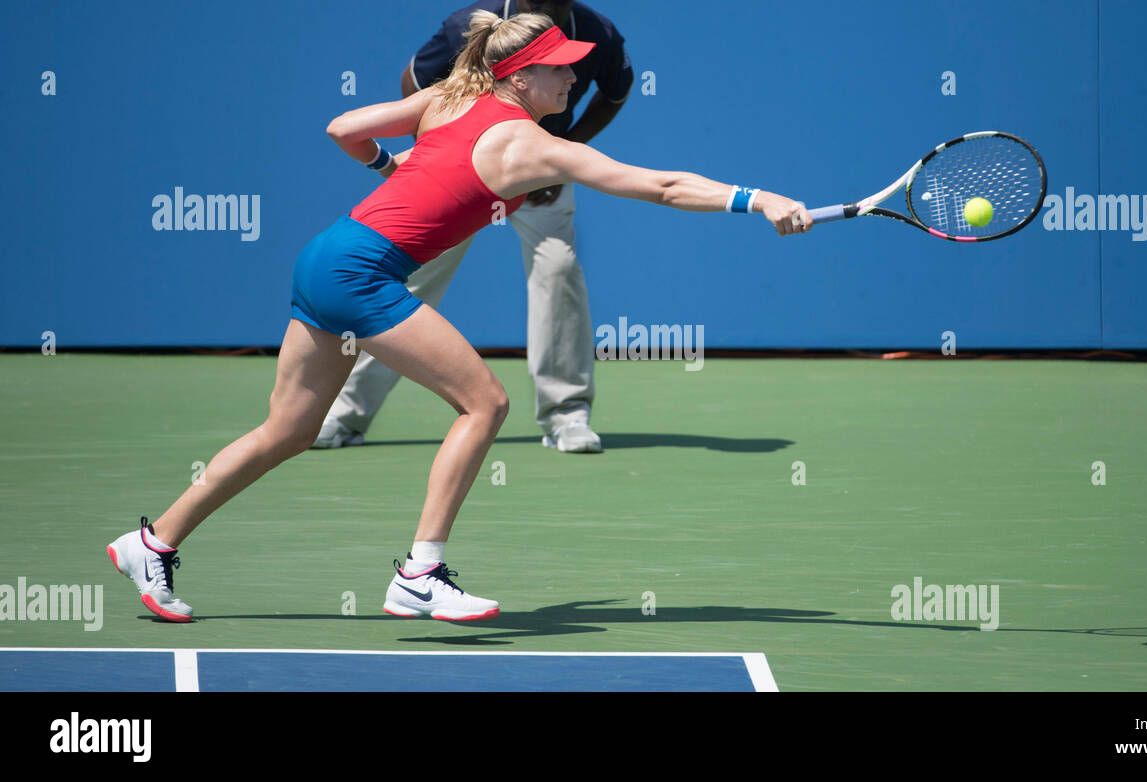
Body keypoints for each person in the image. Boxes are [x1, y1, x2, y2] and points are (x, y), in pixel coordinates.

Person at [106, 11, 813, 624]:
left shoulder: (450, 97)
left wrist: (394, 167)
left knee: (286, 432)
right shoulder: (530, 144)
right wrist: (758, 199)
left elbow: (343, 127)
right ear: (523, 76)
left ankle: (154, 543)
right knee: (485, 402)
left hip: (323, 258)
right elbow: (659, 185)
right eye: (562, 71)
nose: (575, 82)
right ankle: (421, 574)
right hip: (362, 274)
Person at [314, 0, 633, 454]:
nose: (550, 6)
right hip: (461, 176)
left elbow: (616, 91)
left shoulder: (597, 32)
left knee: (558, 273)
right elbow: (415, 83)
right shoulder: (465, 24)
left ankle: (566, 415)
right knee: (411, 282)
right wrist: (440, 160)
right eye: (538, 0)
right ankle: (348, 414)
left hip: (539, 174)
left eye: (558, 0)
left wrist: (558, 154)